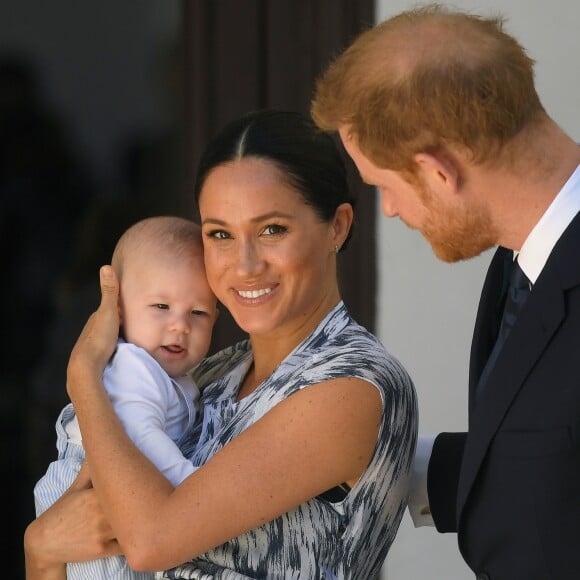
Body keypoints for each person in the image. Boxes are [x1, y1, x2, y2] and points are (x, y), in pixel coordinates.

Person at [23, 109, 418, 580]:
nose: (245, 264)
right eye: (221, 235)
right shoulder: (206, 376)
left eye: (272, 229)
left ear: (338, 226)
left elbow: (150, 542)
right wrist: (39, 549)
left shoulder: (351, 384)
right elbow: (76, 548)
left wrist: (84, 378)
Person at [311, 4, 580, 579]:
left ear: (438, 171)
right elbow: (553, 469)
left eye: (383, 185)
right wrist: (381, 460)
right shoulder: (521, 255)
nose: (389, 209)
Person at [33, 215, 218, 579]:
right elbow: (142, 437)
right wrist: (195, 491)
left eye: (198, 312)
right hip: (89, 494)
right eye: (161, 307)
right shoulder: (134, 367)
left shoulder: (174, 376)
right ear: (117, 311)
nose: (180, 325)